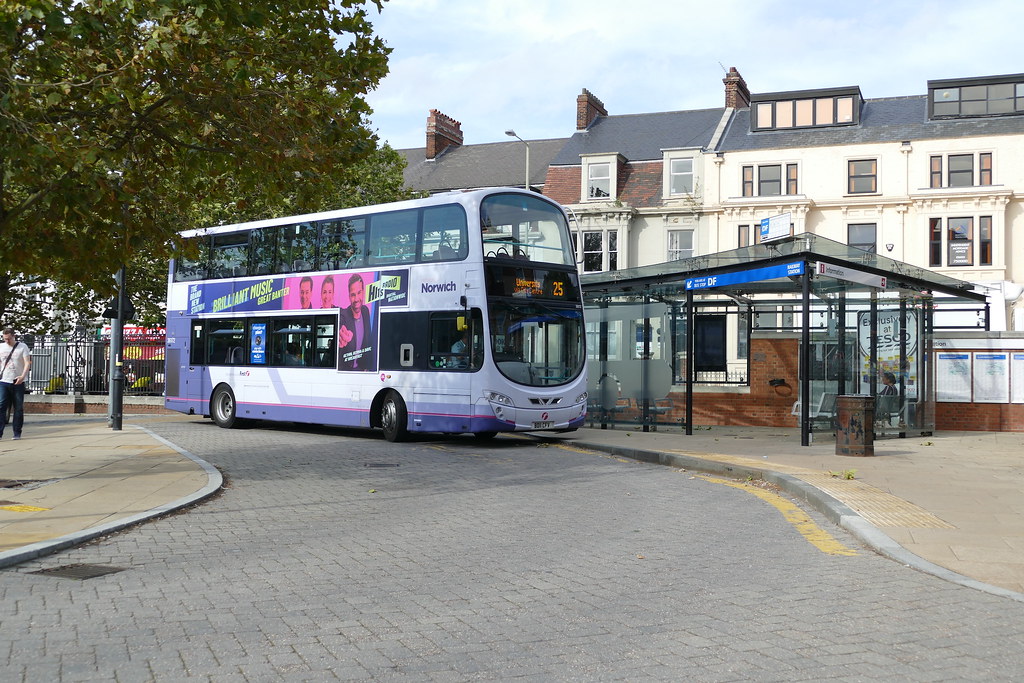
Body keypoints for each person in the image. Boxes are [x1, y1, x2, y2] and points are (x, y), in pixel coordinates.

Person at [0, 327, 32, 440]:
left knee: (18, 407)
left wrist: (23, 376)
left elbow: (27, 363)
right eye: (5, 339)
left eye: (8, 339)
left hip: (18, 380)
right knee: (1, 406)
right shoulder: (1, 347)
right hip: (4, 380)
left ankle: (17, 432)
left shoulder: (22, 347)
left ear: (13, 336)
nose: (7, 341)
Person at [338, 274, 375, 370]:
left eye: (359, 293)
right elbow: (341, 326)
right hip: (346, 372)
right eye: (353, 295)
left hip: (361, 370)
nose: (356, 299)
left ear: (363, 292)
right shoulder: (344, 315)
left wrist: (367, 367)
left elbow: (368, 342)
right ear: (349, 296)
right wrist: (341, 333)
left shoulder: (365, 311)